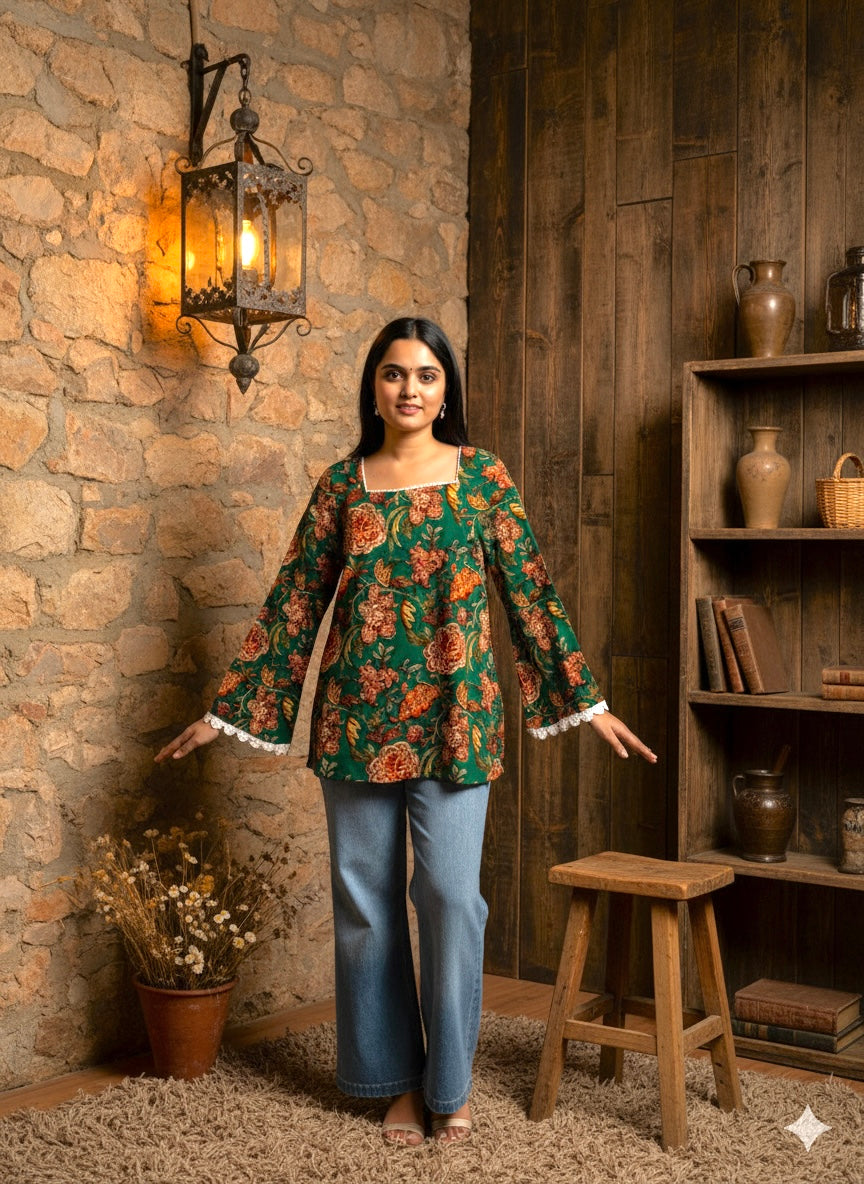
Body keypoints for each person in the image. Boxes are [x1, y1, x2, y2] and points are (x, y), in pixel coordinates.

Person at [155, 316, 657, 1146]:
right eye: (394, 374)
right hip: (355, 721)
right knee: (368, 911)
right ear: (374, 387)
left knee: (453, 902)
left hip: (459, 723)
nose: (411, 389)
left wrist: (588, 703)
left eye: (426, 374)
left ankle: (447, 1084)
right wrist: (228, 712)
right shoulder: (341, 485)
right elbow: (295, 604)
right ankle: (393, 1081)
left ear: (446, 386)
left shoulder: (483, 478)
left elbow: (528, 591)